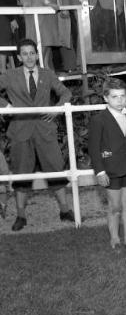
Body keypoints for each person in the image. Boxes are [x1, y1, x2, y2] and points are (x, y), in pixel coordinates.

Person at [0, 38, 74, 231]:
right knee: (21, 176)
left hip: (45, 131)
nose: (29, 57)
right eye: (24, 53)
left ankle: (65, 210)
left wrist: (57, 109)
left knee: (56, 170)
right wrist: (6, 106)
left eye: (32, 53)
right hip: (20, 132)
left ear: (37, 54)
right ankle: (21, 215)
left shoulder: (47, 74)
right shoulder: (9, 75)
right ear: (18, 57)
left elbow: (66, 94)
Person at [88, 78, 126, 251]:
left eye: (122, 96)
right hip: (111, 169)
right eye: (115, 97)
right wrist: (100, 171)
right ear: (106, 98)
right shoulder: (99, 120)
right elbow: (93, 148)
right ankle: (115, 239)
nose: (120, 100)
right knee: (114, 207)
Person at [58, 0, 80, 72]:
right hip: (72, 8)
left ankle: (79, 64)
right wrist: (64, 8)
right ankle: (72, 66)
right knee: (71, 37)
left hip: (83, 8)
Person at [0, 0, 20, 73]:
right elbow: (2, 0)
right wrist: (12, 18)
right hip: (3, 15)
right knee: (4, 41)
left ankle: (10, 71)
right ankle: (3, 70)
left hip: (12, 13)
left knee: (11, 41)